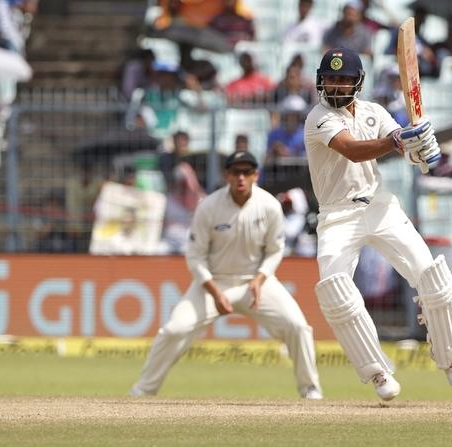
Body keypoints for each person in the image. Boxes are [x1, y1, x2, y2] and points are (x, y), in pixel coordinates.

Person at [303, 47, 452, 401]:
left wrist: (421, 147)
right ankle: (377, 372)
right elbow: (352, 149)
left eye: (344, 80)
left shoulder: (374, 112)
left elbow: (405, 150)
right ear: (321, 81)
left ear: (357, 83)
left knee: (431, 275)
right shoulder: (318, 118)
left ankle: (451, 358)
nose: (336, 86)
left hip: (379, 206)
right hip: (337, 214)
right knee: (334, 291)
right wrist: (396, 141)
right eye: (331, 79)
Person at [130, 151, 323, 399]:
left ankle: (310, 389)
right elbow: (195, 256)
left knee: (297, 326)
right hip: (214, 283)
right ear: (227, 175)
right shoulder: (209, 206)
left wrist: (260, 278)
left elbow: (275, 251)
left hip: (256, 283)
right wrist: (214, 291)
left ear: (256, 175)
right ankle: (143, 391)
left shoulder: (269, 206)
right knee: (174, 330)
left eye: (246, 172)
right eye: (235, 172)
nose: (241, 177)